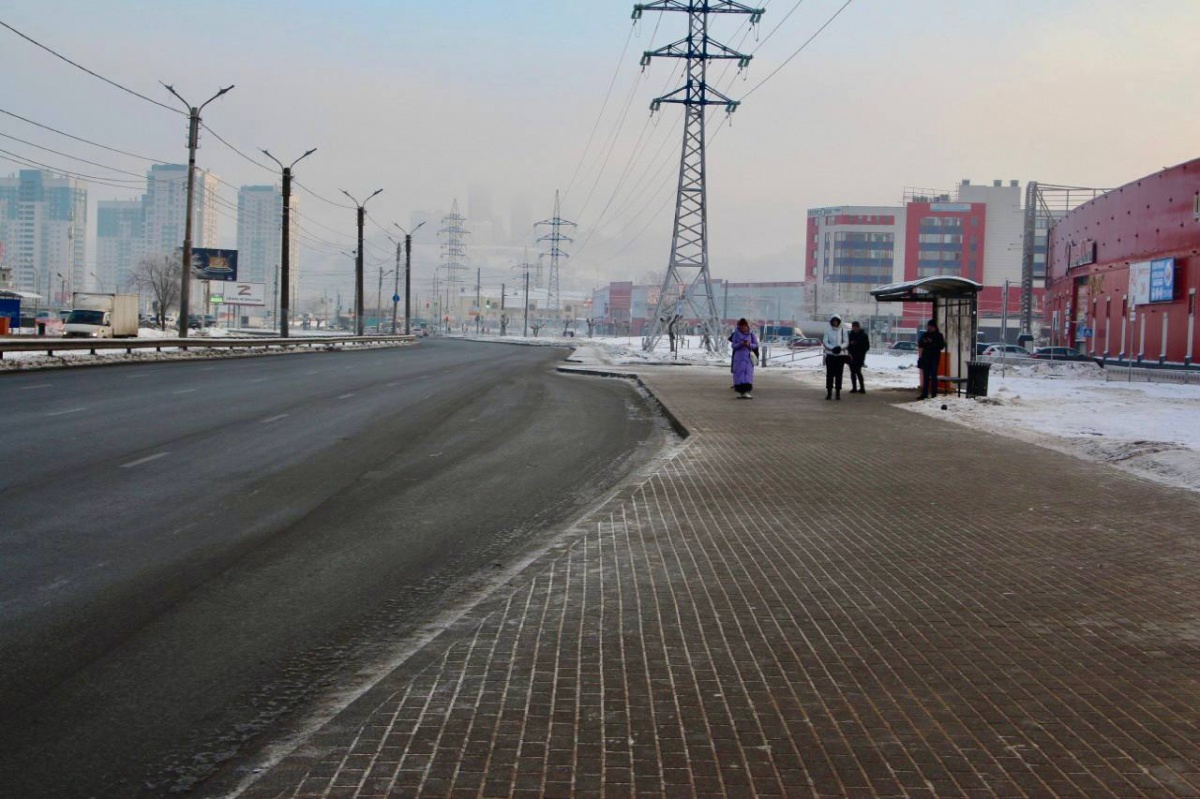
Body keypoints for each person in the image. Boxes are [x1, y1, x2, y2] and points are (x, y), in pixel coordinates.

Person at [728, 318, 758, 399]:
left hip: (748, 359)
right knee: (739, 375)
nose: (743, 329)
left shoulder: (751, 335)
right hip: (739, 358)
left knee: (748, 374)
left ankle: (747, 391)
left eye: (745, 327)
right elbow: (733, 346)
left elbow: (756, 345)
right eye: (741, 327)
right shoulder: (735, 335)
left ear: (747, 327)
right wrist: (741, 343)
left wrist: (749, 345)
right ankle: (741, 391)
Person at [917, 318, 946, 400]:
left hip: (934, 358)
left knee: (933, 376)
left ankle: (934, 394)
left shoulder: (939, 336)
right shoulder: (925, 334)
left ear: (934, 327)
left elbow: (941, 346)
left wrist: (931, 343)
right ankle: (924, 394)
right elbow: (920, 343)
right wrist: (925, 342)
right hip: (926, 358)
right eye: (928, 326)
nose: (929, 328)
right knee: (926, 376)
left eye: (930, 326)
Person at [822, 314, 850, 400]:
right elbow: (825, 341)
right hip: (830, 355)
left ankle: (838, 392)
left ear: (839, 321)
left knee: (839, 375)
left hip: (840, 356)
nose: (835, 322)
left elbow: (846, 342)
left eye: (836, 321)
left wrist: (840, 347)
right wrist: (832, 348)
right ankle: (829, 392)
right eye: (833, 321)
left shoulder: (843, 331)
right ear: (831, 322)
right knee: (829, 375)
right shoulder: (828, 331)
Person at [847, 320, 870, 393]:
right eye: (853, 327)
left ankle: (862, 388)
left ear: (858, 327)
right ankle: (854, 388)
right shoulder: (851, 334)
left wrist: (856, 344)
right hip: (851, 356)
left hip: (860, 356)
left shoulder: (863, 335)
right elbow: (848, 345)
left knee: (858, 371)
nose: (854, 329)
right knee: (852, 372)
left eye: (856, 327)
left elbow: (866, 346)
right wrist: (849, 351)